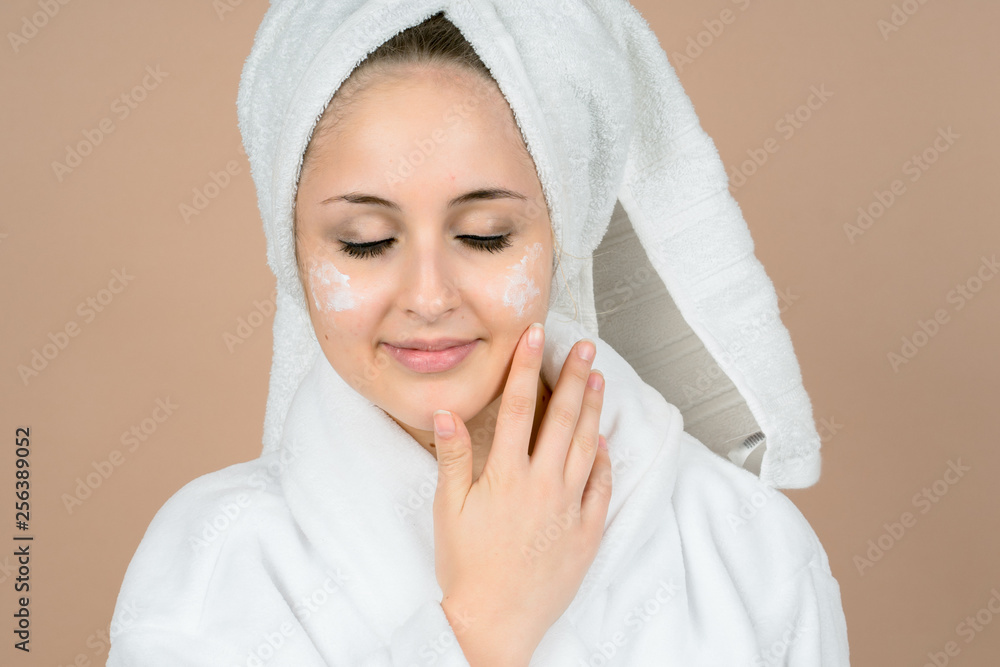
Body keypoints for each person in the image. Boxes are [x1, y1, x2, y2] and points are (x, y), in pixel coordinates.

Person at [108, 3, 850, 665]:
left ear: (562, 234)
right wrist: (481, 626)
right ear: (293, 254)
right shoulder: (213, 561)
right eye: (365, 241)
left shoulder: (750, 549)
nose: (429, 297)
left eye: (486, 234)